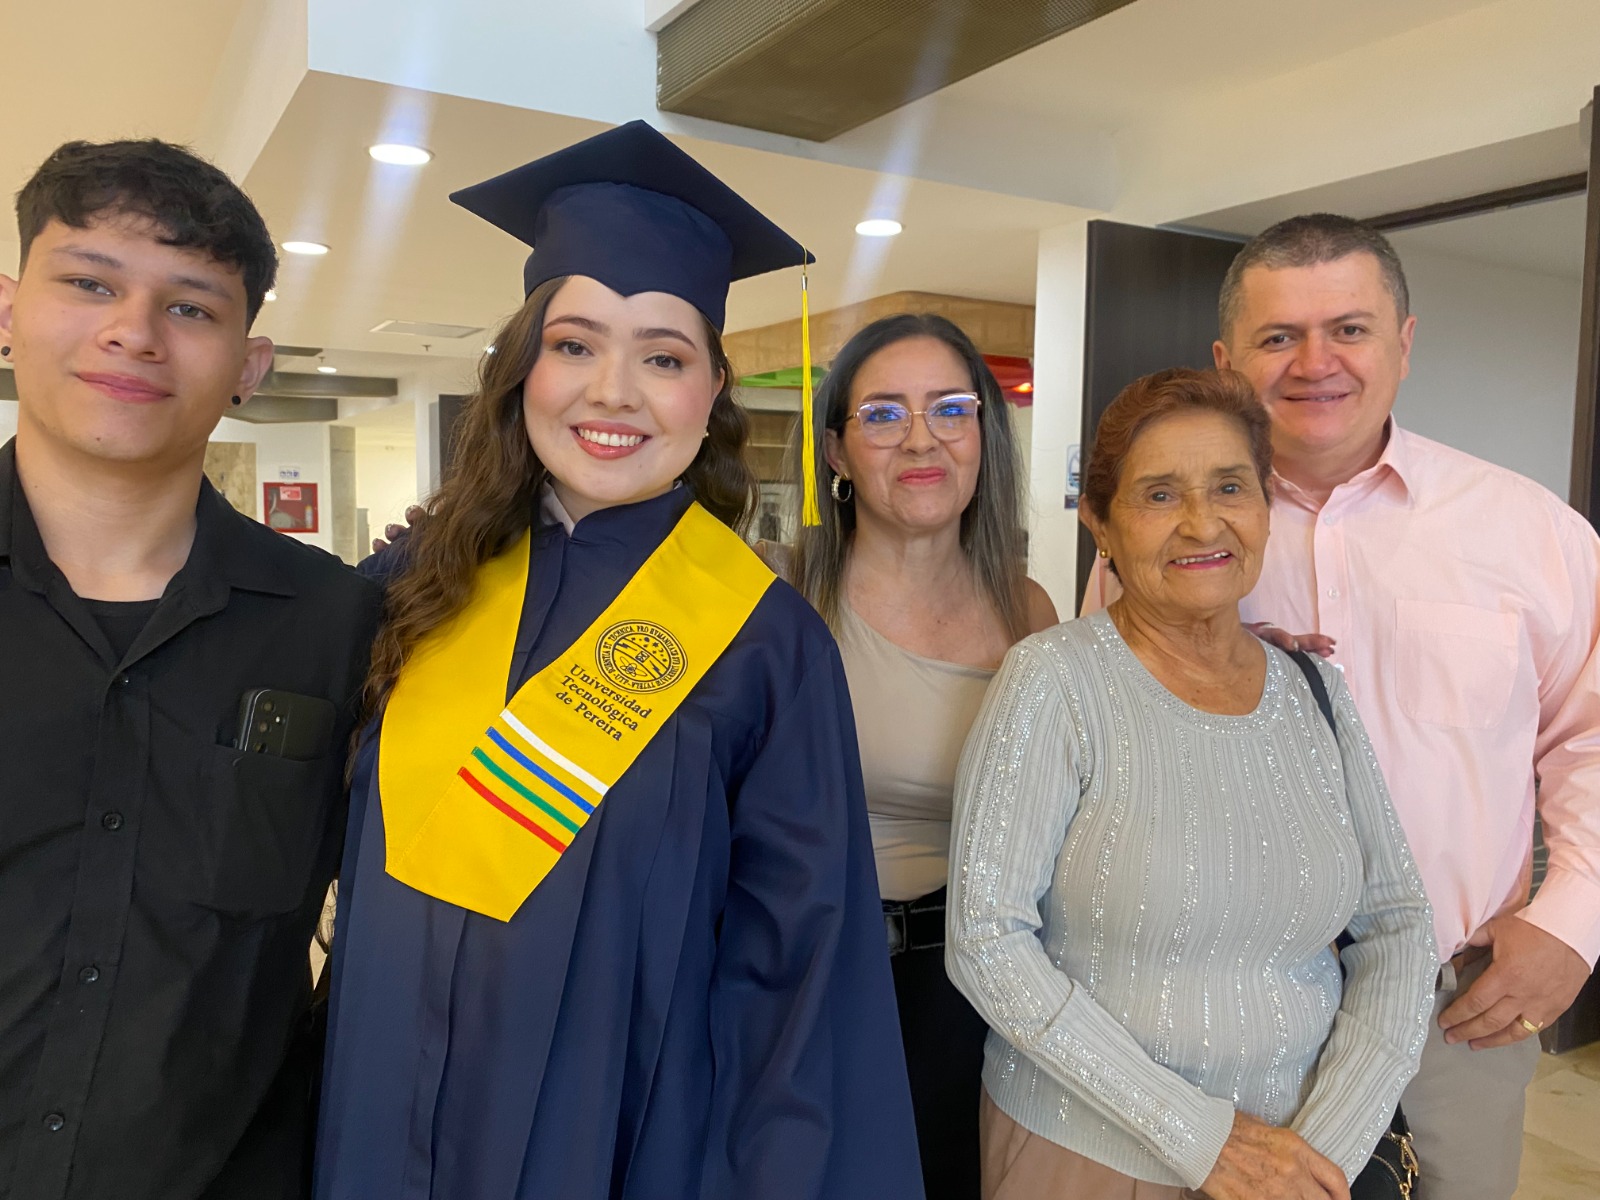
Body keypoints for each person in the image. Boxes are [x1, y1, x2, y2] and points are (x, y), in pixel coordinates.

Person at [314, 120, 924, 1200]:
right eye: (576, 343)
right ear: (523, 366)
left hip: (625, 1146)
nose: (613, 392)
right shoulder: (417, 584)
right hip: (374, 1114)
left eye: (663, 355)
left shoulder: (760, 641)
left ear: (711, 389)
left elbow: (799, 973)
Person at [1084, 214, 1600, 1200]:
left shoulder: (1531, 532)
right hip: (1219, 1007)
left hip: (1455, 1013)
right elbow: (1113, 749)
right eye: (1279, 337)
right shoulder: (1155, 541)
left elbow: (1587, 740)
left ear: (1403, 342)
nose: (1314, 363)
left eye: (1349, 330)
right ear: (1227, 361)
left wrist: (1572, 923)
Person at [950, 367, 1438, 1200]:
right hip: (1092, 1160)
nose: (1202, 522)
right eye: (1160, 495)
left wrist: (1326, 1146)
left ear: (1265, 506)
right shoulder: (1054, 683)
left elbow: (1398, 926)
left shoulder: (1315, 690)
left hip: (1304, 1162)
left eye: (1230, 487)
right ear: (1100, 521)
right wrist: (1206, 1141)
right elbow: (986, 943)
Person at [0, 140, 380, 1200]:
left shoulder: (336, 622)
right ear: (6, 311)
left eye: (192, 307)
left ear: (249, 367)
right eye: (87, 282)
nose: (133, 331)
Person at [782, 312, 1056, 1199]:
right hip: (818, 982)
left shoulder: (1030, 608)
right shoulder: (782, 593)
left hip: (979, 996)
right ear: (836, 449)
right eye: (884, 415)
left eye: (949, 407)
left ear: (984, 434)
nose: (922, 438)